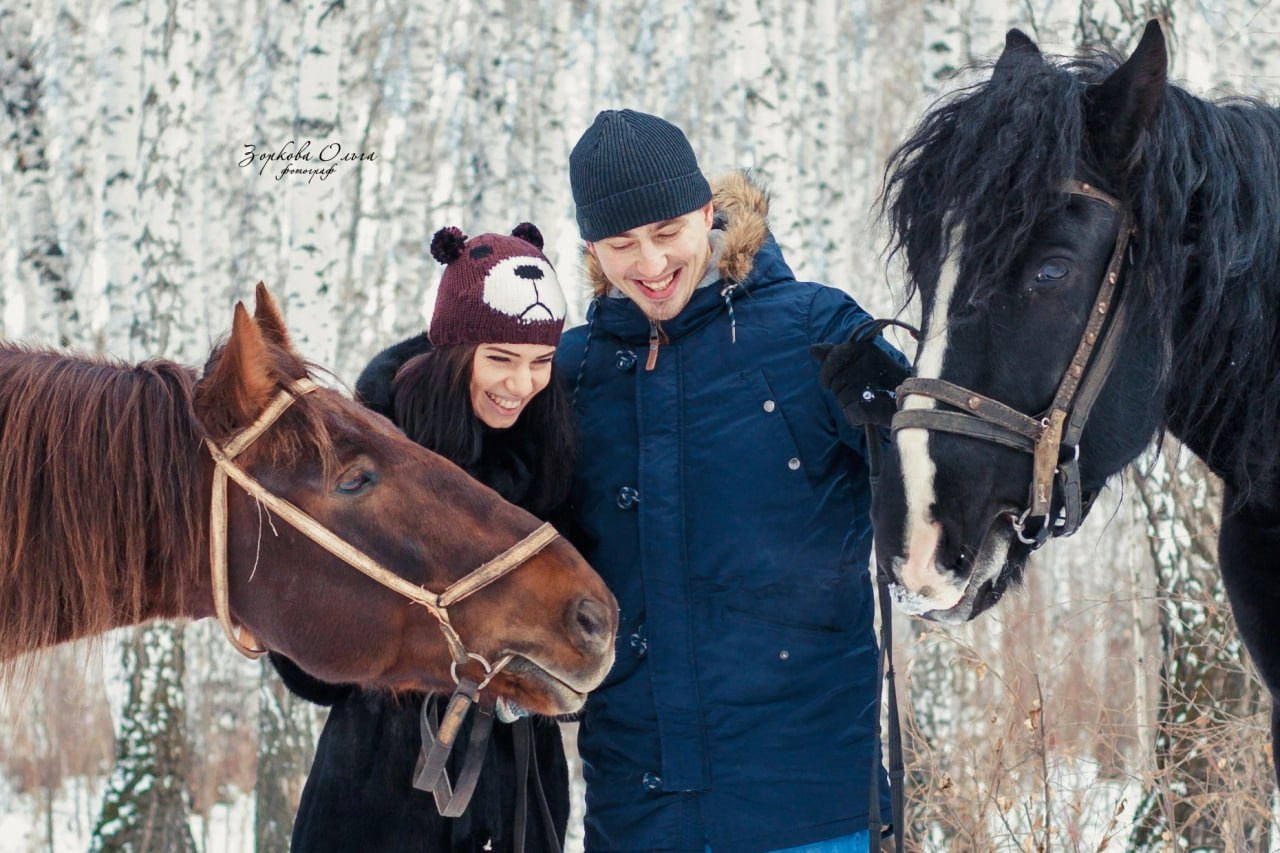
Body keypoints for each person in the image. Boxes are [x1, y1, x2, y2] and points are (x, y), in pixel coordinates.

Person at [556, 109, 903, 852]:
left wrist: (906, 426)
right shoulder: (573, 371)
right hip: (636, 809)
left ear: (708, 215)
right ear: (592, 249)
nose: (648, 264)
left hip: (810, 806)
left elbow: (956, 486)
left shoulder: (815, 329)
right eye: (621, 244)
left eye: (667, 233)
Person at [268, 222, 577, 853]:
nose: (522, 384)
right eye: (501, 358)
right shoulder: (368, 453)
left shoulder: (553, 446)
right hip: (378, 783)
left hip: (519, 782)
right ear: (457, 350)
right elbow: (316, 663)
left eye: (540, 362)